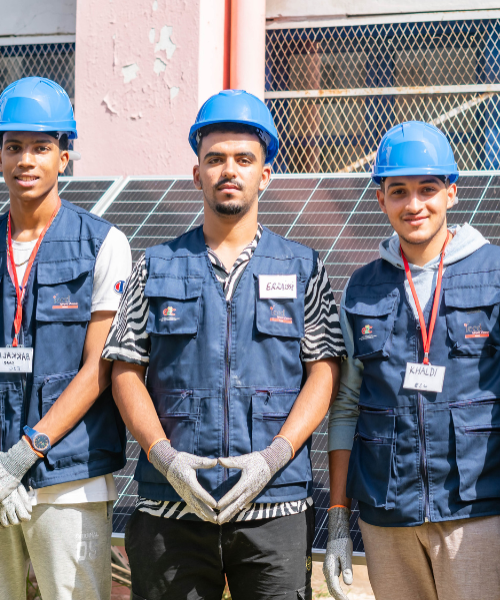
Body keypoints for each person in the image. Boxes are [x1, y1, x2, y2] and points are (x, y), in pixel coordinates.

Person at [104, 89, 345, 600]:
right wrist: (166, 458)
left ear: (266, 174)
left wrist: (272, 458)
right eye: (214, 159)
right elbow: (125, 369)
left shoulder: (304, 268)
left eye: (243, 159)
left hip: (273, 508)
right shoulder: (154, 266)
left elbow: (323, 372)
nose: (228, 170)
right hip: (172, 506)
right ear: (197, 174)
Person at [322, 121, 500, 600]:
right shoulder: (360, 289)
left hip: (478, 517)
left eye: (427, 189)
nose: (414, 205)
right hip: (389, 520)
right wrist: (340, 518)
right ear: (380, 198)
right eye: (399, 191)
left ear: (452, 191)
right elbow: (346, 406)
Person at [0, 76, 132, 600]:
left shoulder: (104, 244)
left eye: (42, 148)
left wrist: (26, 453)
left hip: (69, 478)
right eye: (14, 147)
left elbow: (99, 365)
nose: (27, 159)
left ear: (64, 157)